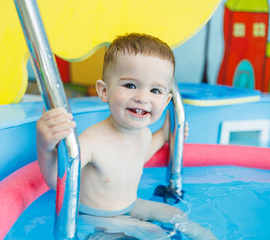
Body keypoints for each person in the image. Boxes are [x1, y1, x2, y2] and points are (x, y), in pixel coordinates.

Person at [36, 33, 216, 239]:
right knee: (156, 234)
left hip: (131, 205)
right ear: (104, 91)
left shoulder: (145, 135)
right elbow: (57, 180)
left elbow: (139, 157)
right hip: (97, 219)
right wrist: (45, 146)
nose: (142, 98)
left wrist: (165, 134)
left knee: (177, 215)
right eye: (130, 85)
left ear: (166, 101)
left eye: (155, 90)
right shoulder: (93, 141)